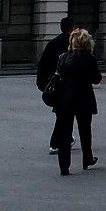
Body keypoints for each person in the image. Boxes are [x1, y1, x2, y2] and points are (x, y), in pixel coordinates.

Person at [49, 28, 102, 175]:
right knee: (85, 130)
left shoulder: (63, 58)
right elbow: (96, 79)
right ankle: (87, 159)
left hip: (64, 99)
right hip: (83, 98)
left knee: (64, 132)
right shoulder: (90, 59)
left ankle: (64, 166)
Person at [35, 16, 73, 153]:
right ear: (72, 27)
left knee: (62, 113)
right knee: (64, 115)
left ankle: (66, 138)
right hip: (67, 85)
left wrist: (41, 83)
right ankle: (56, 142)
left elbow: (42, 65)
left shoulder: (53, 43)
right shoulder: (73, 44)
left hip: (54, 83)